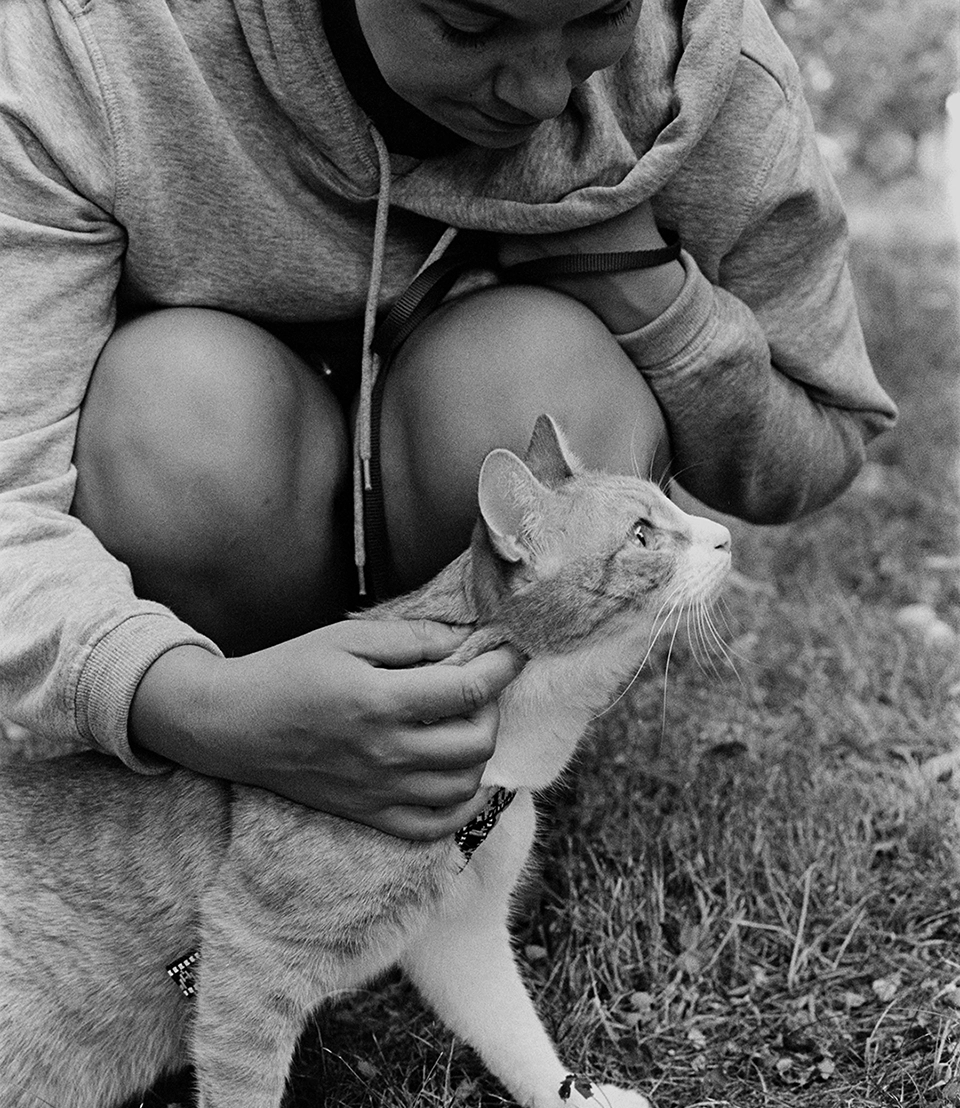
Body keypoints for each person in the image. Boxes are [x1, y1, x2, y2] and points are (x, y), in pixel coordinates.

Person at [0, 0, 895, 841]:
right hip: (222, 577)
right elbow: (9, 505)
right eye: (470, 26)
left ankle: (478, 789)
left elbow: (819, 444)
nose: (543, 94)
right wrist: (184, 701)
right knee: (176, 399)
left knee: (537, 371)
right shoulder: (92, 43)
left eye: (602, 15)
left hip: (480, 552)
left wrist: (652, 295)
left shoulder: (703, 56)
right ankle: (262, 766)